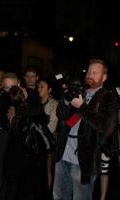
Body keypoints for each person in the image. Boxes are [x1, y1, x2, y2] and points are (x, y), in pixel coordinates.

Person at [53, 59, 118, 200]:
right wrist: (66, 99)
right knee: (59, 196)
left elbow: (106, 126)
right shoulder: (78, 90)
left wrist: (81, 107)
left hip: (84, 161)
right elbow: (61, 115)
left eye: (95, 72)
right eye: (89, 71)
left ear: (104, 77)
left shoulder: (108, 96)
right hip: (63, 154)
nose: (90, 75)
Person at [4, 85, 50, 200]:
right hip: (25, 157)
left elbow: (40, 114)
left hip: (27, 156)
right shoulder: (19, 111)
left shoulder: (22, 111)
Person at [38, 77, 59, 192]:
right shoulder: (35, 102)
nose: (39, 89)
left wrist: (39, 135)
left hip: (47, 141)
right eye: (38, 86)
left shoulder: (54, 104)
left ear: (49, 89)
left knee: (46, 168)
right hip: (35, 142)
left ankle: (47, 193)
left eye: (42, 87)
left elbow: (52, 125)